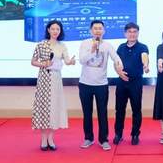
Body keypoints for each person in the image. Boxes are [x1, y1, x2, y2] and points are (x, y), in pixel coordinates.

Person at [78, 20, 124, 151]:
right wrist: (92, 50)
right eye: (95, 28)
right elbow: (82, 60)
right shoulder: (85, 43)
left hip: (101, 85)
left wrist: (119, 67)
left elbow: (116, 58)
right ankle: (88, 138)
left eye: (100, 28)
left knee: (102, 113)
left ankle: (103, 139)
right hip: (85, 84)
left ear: (104, 31)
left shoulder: (108, 45)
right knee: (87, 113)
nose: (98, 31)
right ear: (90, 31)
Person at [31, 20, 76, 151]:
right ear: (48, 30)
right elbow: (33, 61)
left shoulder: (62, 46)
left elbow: (67, 60)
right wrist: (43, 64)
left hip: (56, 79)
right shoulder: (41, 45)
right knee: (44, 108)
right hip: (44, 78)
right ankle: (43, 139)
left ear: (60, 31)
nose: (55, 31)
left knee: (54, 108)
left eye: (58, 29)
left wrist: (71, 62)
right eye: (53, 29)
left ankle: (51, 138)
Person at [113, 22, 149, 146]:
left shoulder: (142, 47)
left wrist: (145, 65)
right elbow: (116, 63)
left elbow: (144, 57)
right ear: (125, 33)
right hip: (121, 82)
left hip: (136, 83)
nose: (132, 34)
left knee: (136, 109)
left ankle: (135, 134)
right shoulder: (121, 47)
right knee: (119, 109)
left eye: (134, 32)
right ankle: (118, 134)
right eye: (129, 32)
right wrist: (119, 72)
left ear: (138, 33)